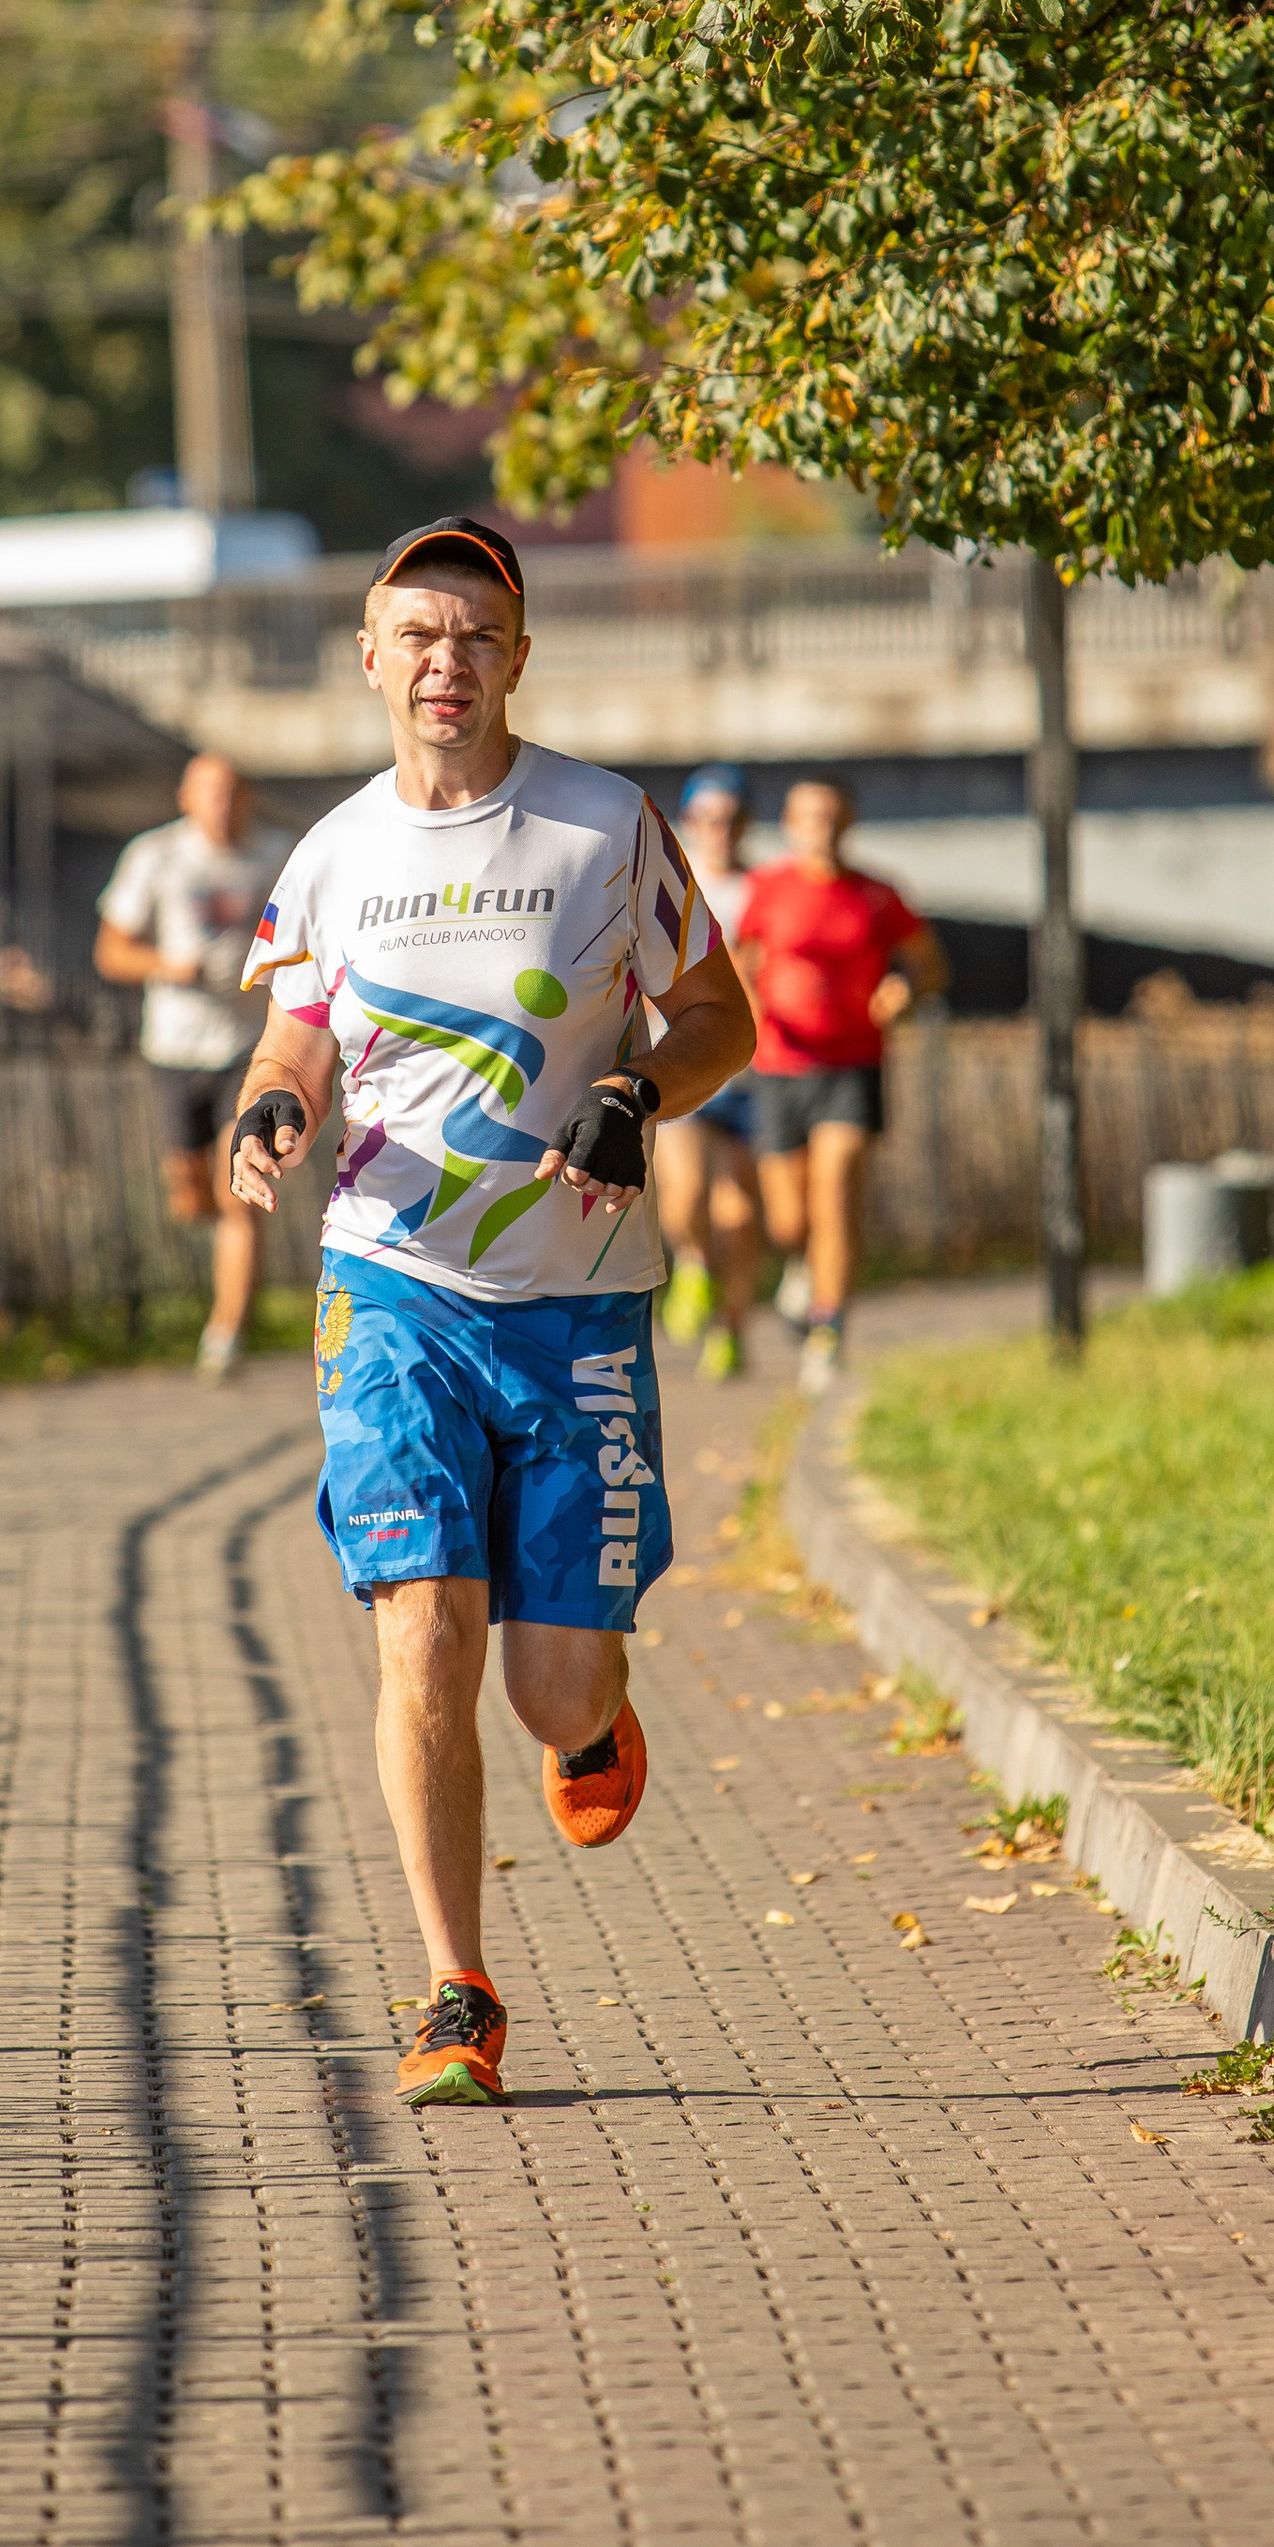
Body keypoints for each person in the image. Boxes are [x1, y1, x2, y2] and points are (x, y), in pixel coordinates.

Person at [226, 517, 757, 2106]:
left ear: (518, 659)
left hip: (577, 1307)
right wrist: (268, 1109)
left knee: (548, 1690)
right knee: (424, 1635)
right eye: (418, 634)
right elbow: (295, 1040)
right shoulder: (332, 856)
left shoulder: (605, 825)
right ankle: (457, 1987)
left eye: (477, 635)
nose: (446, 661)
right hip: (388, 1286)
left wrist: (634, 1093)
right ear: (373, 660)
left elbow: (721, 1016)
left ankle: (594, 1723)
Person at [734, 778, 945, 1396]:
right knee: (789, 1221)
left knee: (836, 1189)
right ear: (790, 824)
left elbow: (927, 965)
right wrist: (753, 1013)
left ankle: (829, 1330)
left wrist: (904, 990)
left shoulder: (878, 895)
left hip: (853, 1063)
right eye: (808, 816)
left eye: (831, 816)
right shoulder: (767, 889)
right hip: (778, 1065)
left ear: (848, 822)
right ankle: (799, 1268)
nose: (821, 827)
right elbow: (739, 964)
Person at [95, 750, 291, 1382]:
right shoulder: (155, 856)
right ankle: (196, 1195)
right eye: (210, 793)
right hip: (174, 1046)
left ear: (249, 798)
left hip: (250, 1046)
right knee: (191, 1195)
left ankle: (225, 1333)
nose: (222, 805)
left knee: (241, 1187)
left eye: (233, 793)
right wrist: (166, 967)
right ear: (185, 798)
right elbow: (112, 951)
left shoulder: (279, 854)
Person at [653, 765, 763, 1382]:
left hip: (750, 1072)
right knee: (689, 1195)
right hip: (685, 1063)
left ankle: (733, 1325)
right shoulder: (670, 883)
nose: (720, 829)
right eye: (707, 817)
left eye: (732, 818)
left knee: (740, 1214)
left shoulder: (762, 888)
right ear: (690, 820)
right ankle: (692, 1264)